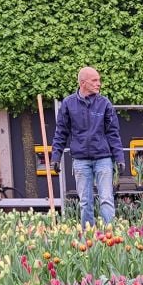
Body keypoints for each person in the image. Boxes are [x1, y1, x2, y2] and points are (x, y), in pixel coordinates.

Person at [51, 67, 125, 227]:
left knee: (106, 199)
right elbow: (61, 132)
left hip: (103, 159)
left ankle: (110, 235)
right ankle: (88, 236)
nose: (99, 83)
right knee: (85, 201)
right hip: (80, 160)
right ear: (83, 83)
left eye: (99, 80)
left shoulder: (104, 103)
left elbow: (113, 133)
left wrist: (119, 158)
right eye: (94, 80)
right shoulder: (68, 104)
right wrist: (55, 157)